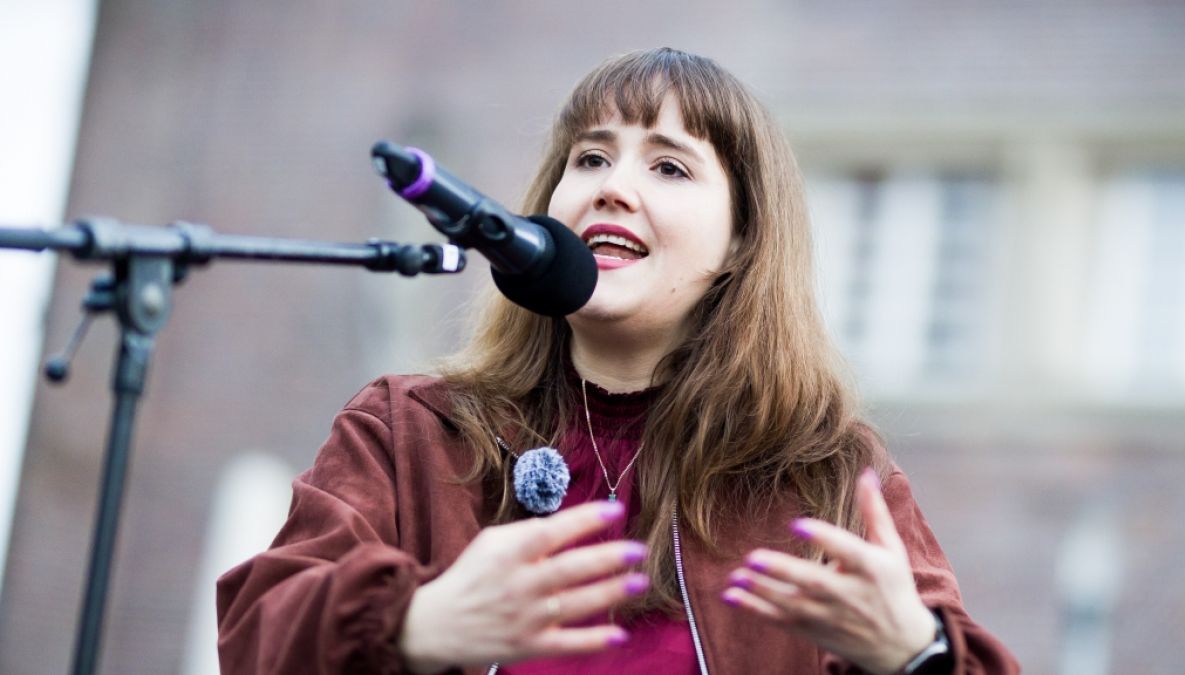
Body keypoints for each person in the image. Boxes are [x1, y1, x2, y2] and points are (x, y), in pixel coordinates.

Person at [216, 48, 1019, 674]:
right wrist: (412, 627)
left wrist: (917, 656)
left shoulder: (820, 474)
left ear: (741, 242)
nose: (612, 187)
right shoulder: (412, 429)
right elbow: (256, 638)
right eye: (591, 159)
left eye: (668, 166)